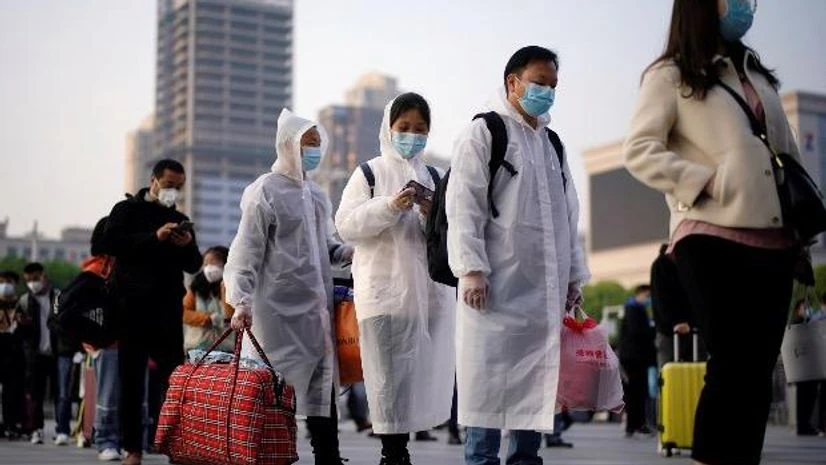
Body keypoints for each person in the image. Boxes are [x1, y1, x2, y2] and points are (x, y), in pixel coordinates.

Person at [624, 1, 805, 463]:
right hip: (709, 233)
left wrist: (802, 220)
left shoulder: (755, 73)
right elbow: (641, 149)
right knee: (731, 365)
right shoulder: (670, 74)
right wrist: (705, 182)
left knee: (758, 372)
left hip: (776, 236)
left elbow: (786, 152)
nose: (747, 4)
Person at [445, 46, 590, 465]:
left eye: (552, 85)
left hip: (541, 292)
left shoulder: (551, 143)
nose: (546, 91)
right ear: (513, 82)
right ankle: (481, 460)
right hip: (493, 289)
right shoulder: (485, 132)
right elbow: (463, 204)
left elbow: (568, 214)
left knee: (534, 386)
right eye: (539, 83)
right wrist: (471, 269)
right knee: (486, 386)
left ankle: (526, 460)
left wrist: (572, 277)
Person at [225, 108, 353, 465]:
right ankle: (269, 455)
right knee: (272, 392)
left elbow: (326, 248)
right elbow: (246, 251)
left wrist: (352, 252)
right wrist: (241, 300)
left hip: (314, 314)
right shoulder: (264, 190)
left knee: (321, 389)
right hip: (274, 314)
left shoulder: (317, 195)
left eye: (317, 144)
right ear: (286, 145)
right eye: (306, 143)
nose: (313, 150)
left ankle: (328, 457)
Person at [336, 93, 456, 465]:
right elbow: (346, 225)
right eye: (404, 128)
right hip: (384, 293)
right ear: (389, 128)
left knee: (422, 373)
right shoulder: (369, 173)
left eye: (421, 129)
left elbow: (451, 232)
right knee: (387, 377)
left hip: (428, 293)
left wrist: (428, 212)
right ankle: (393, 452)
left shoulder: (435, 175)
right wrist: (389, 206)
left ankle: (406, 442)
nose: (412, 135)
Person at [103, 159, 202, 465]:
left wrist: (185, 245)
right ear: (154, 181)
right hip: (131, 309)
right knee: (131, 380)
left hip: (167, 310)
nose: (174, 192)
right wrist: (153, 237)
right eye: (170, 185)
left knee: (173, 381)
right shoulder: (127, 211)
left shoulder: (180, 218)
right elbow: (110, 242)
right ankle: (133, 449)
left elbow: (194, 265)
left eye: (179, 188)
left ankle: (173, 445)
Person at [69, 217, 122, 461]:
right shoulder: (97, 269)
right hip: (107, 343)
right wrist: (90, 337)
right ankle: (105, 441)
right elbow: (75, 309)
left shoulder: (121, 265)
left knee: (123, 396)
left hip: (127, 340)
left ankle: (119, 439)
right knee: (108, 395)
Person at [16, 262, 77, 446]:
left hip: (60, 353)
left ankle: (63, 430)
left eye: (35, 278)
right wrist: (22, 325)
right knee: (36, 394)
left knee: (62, 393)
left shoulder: (59, 297)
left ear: (43, 276)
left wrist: (74, 349)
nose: (33, 283)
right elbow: (19, 333)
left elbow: (69, 324)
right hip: (36, 355)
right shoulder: (25, 301)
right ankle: (37, 430)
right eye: (28, 280)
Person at [650, 244, 704, 367]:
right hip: (669, 331)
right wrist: (676, 321)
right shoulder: (661, 266)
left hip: (692, 328)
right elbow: (662, 298)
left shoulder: (687, 264)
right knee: (669, 369)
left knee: (697, 366)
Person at [619, 285, 656, 438]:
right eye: (647, 295)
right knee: (637, 392)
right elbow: (637, 332)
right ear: (640, 294)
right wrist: (652, 328)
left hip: (632, 357)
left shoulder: (631, 308)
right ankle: (637, 424)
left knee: (635, 393)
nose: (648, 299)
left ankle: (634, 425)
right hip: (634, 358)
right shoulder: (633, 309)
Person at [182, 246, 233, 353]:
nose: (209, 268)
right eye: (206, 264)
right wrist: (207, 319)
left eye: (213, 263)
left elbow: (231, 315)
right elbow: (183, 313)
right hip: (197, 347)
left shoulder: (232, 288)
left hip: (226, 348)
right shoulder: (196, 287)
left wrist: (225, 286)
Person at [791, 299, 826, 436]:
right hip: (806, 365)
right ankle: (804, 425)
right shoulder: (800, 322)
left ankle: (805, 425)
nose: (806, 310)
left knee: (808, 395)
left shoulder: (805, 321)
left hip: (807, 365)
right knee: (806, 395)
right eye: (804, 307)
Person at [0, 270, 25, 440]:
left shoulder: (21, 305)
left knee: (12, 392)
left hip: (14, 353)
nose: (5, 285)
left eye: (9, 281)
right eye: (2, 281)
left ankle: (11, 424)